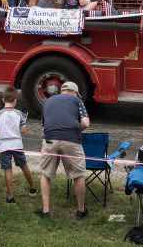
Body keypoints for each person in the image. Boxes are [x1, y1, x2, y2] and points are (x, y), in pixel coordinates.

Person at [37, 81, 90, 220]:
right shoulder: (77, 100)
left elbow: (43, 128)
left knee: (45, 174)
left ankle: (46, 211)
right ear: (75, 92)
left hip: (50, 139)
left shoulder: (47, 101)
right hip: (71, 139)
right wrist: (74, 130)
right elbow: (85, 123)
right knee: (78, 175)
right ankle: (80, 210)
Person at [0, 86, 37, 203]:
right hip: (17, 144)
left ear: (3, 99)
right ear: (15, 100)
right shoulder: (18, 114)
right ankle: (32, 187)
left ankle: (10, 196)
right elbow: (23, 131)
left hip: (4, 146)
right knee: (23, 165)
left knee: (8, 170)